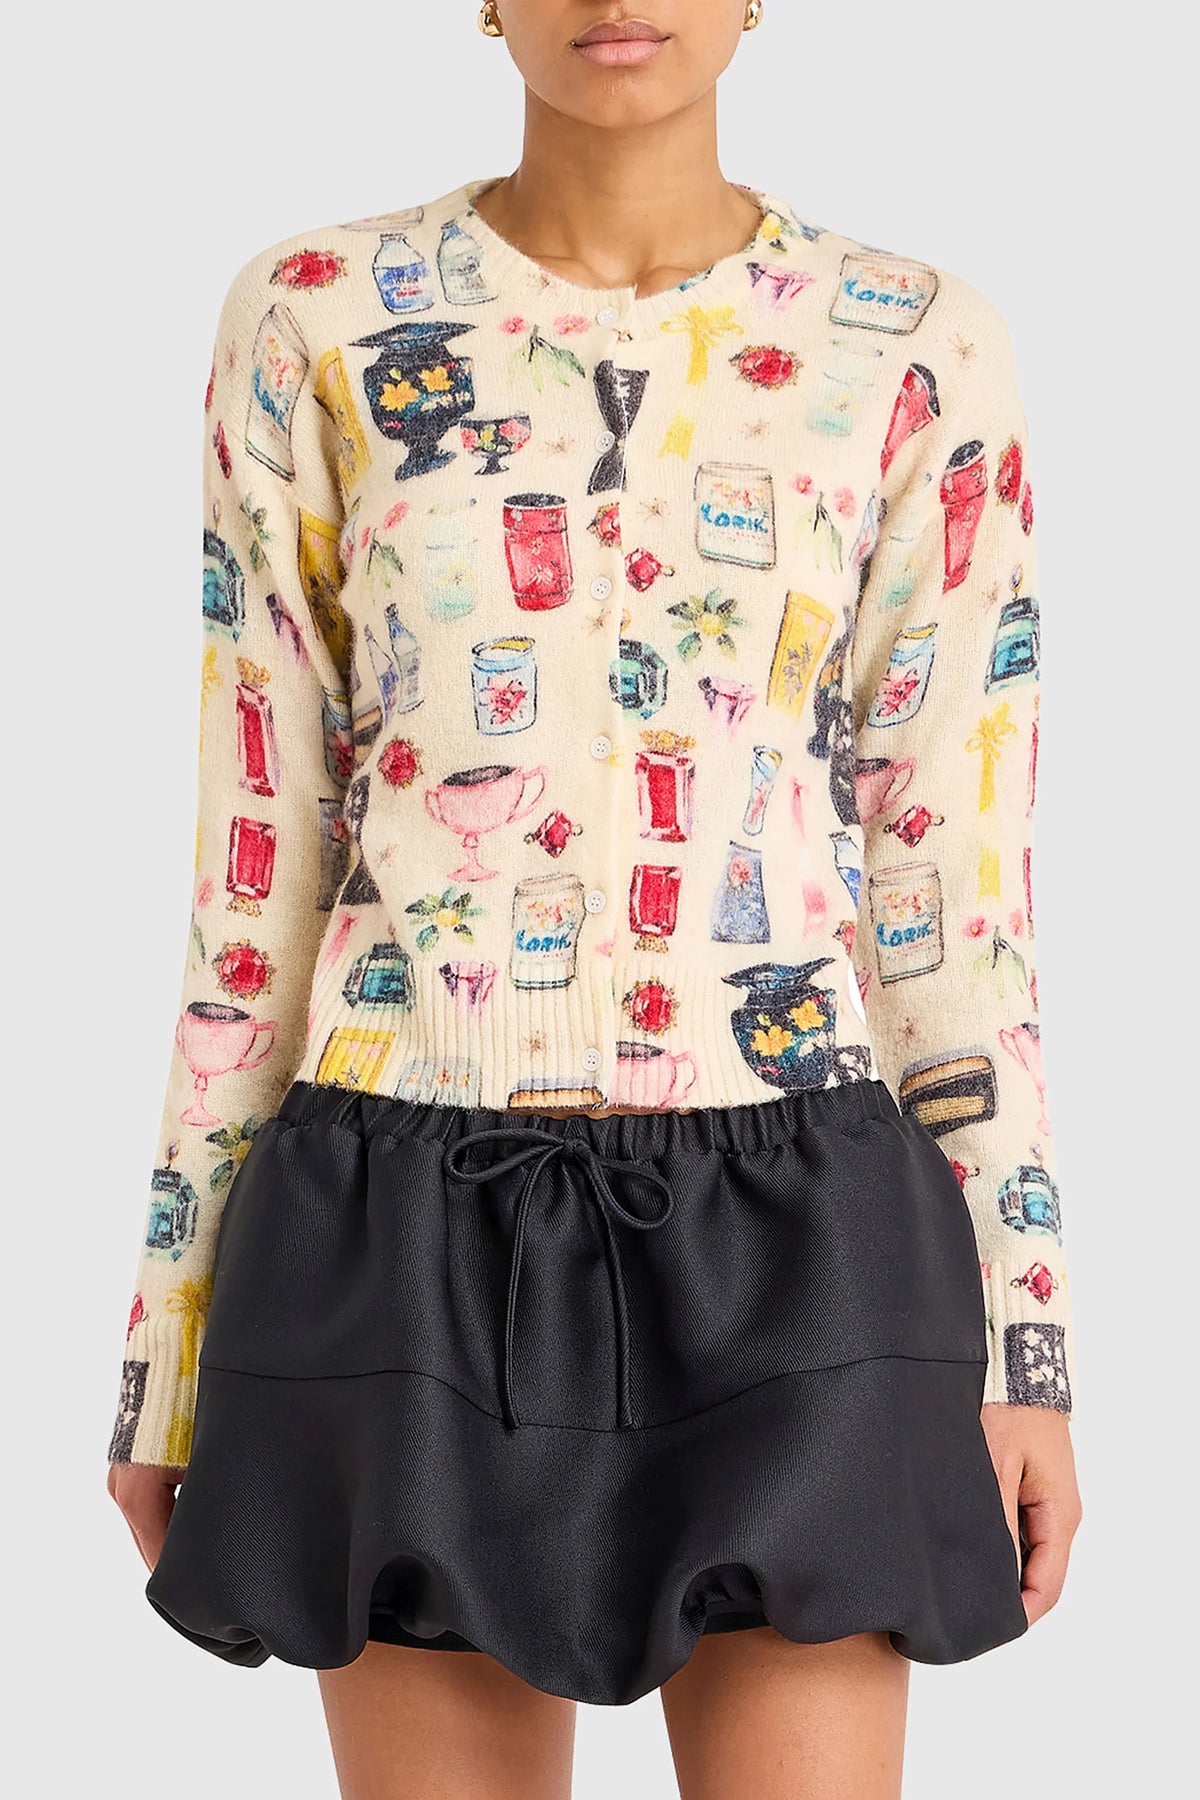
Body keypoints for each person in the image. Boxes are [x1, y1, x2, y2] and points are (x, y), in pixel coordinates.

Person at [106, 3, 1082, 1794]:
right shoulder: (315, 319)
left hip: (802, 1236)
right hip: (404, 1224)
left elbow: (954, 882)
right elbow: (258, 855)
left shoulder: (917, 346)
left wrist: (1028, 1345)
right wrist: (165, 1354)